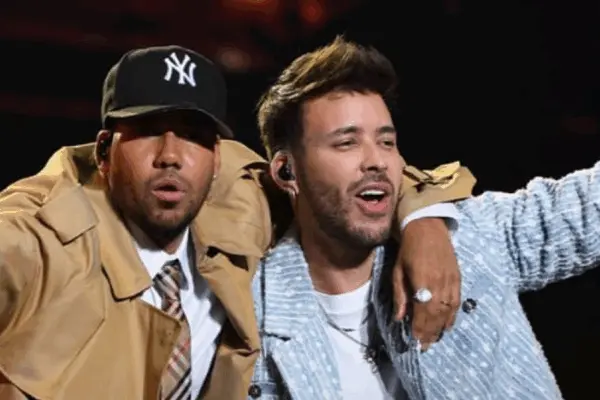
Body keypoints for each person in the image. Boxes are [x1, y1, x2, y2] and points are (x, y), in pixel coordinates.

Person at [0, 45, 474, 400]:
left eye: (193, 136)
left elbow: (354, 181)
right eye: (147, 132)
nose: (171, 156)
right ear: (104, 151)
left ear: (217, 155)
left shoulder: (238, 199)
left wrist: (423, 224)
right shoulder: (43, 239)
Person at [249, 36, 600, 400]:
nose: (377, 161)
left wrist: (427, 216)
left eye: (386, 142)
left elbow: (587, 206)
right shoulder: (251, 312)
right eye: (347, 143)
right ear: (287, 171)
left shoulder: (471, 239)